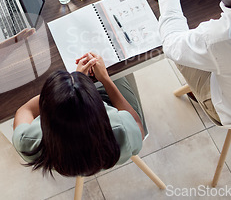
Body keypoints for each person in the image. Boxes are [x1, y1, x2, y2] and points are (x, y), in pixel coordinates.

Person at [12, 52, 147, 177]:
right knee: (118, 68)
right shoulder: (121, 128)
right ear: (98, 106)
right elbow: (138, 128)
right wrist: (104, 79)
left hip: (70, 163)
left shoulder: (28, 142)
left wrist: (60, 92)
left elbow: (25, 110)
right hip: (108, 150)